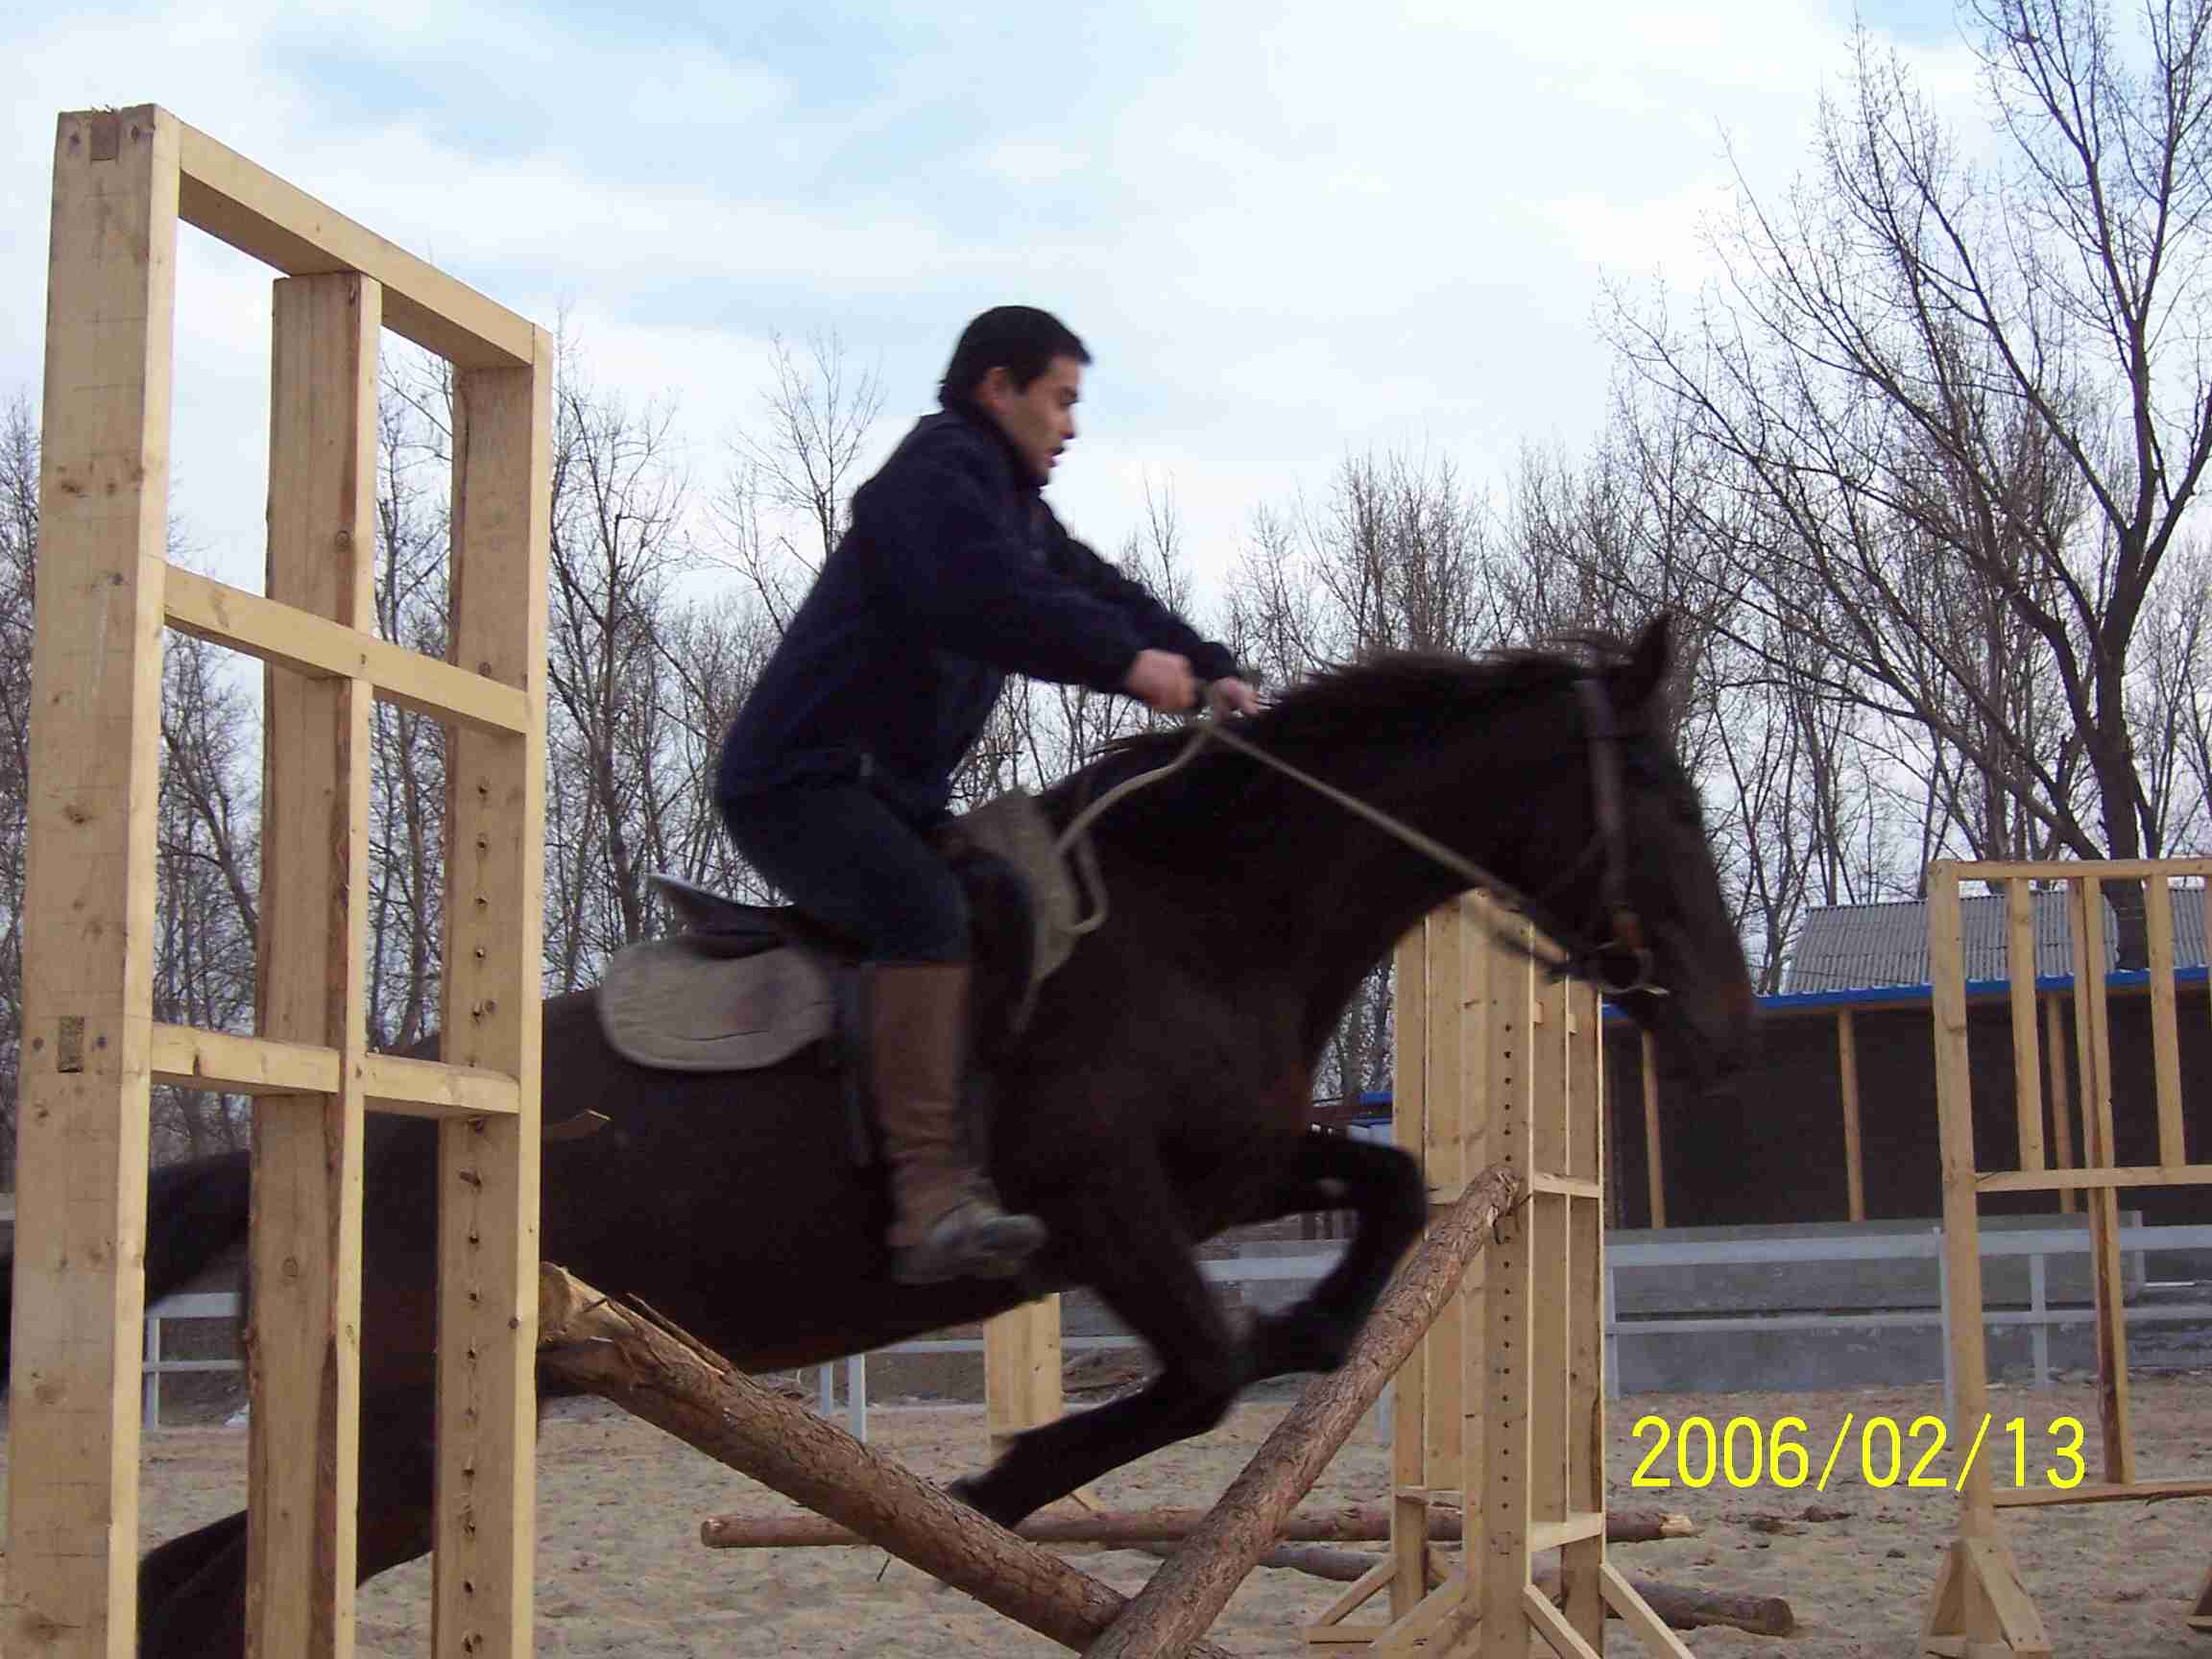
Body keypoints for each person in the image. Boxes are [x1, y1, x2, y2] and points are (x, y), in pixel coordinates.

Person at [715, 305, 1262, 1286]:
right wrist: (1131, 668)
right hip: (798, 786)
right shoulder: (932, 486)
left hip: (889, 800)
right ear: (996, 388)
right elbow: (990, 600)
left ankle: (1008, 1147)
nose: (1071, 425)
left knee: (1006, 899)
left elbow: (1097, 589)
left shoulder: (1012, 507)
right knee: (923, 915)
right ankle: (926, 1198)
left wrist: (1209, 666)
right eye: (1059, 398)